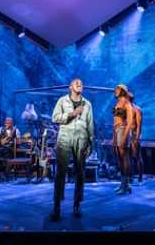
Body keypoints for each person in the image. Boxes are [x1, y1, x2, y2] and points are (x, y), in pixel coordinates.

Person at [49, 78, 94, 221]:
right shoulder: (63, 101)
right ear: (70, 87)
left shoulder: (87, 104)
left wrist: (90, 142)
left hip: (81, 139)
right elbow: (54, 117)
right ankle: (57, 206)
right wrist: (71, 114)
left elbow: (90, 124)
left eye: (81, 83)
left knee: (80, 172)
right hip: (65, 138)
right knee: (60, 172)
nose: (80, 84)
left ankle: (77, 204)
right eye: (76, 82)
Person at [112, 84, 134, 195]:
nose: (115, 90)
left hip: (123, 129)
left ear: (122, 90)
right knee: (119, 159)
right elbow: (115, 120)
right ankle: (122, 183)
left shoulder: (127, 104)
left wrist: (125, 136)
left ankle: (126, 185)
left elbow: (130, 122)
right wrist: (113, 136)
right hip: (116, 130)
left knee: (124, 157)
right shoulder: (117, 103)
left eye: (117, 89)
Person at [128, 92, 144, 184]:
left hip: (134, 134)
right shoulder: (125, 109)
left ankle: (140, 178)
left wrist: (137, 137)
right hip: (127, 134)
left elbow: (139, 125)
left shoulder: (137, 109)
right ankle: (130, 177)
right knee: (128, 157)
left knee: (137, 156)